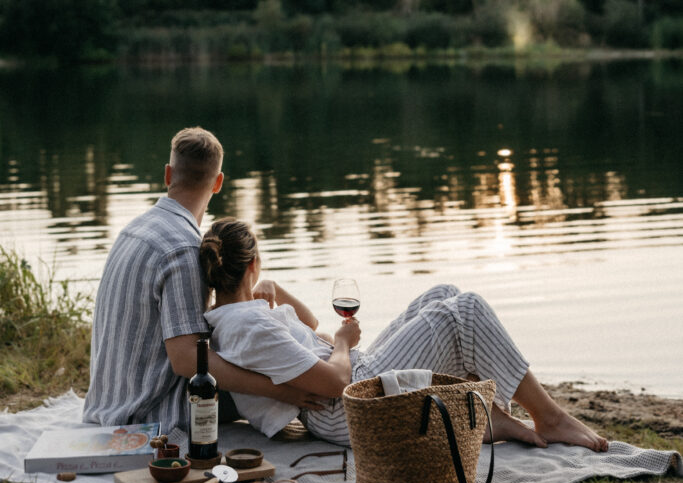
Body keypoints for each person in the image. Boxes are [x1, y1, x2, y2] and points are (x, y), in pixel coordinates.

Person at [199, 217, 609, 451]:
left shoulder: (237, 315)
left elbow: (308, 326)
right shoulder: (247, 326)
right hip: (349, 406)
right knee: (464, 311)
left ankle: (484, 418)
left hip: (350, 384)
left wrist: (274, 289)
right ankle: (548, 417)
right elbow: (335, 382)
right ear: (251, 263)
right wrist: (343, 343)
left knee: (443, 294)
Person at [83, 127, 322, 433]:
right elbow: (186, 360)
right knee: (292, 372)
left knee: (285, 354)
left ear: (168, 174)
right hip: (149, 410)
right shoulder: (183, 249)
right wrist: (279, 391)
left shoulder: (135, 228)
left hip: (110, 399)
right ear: (219, 182)